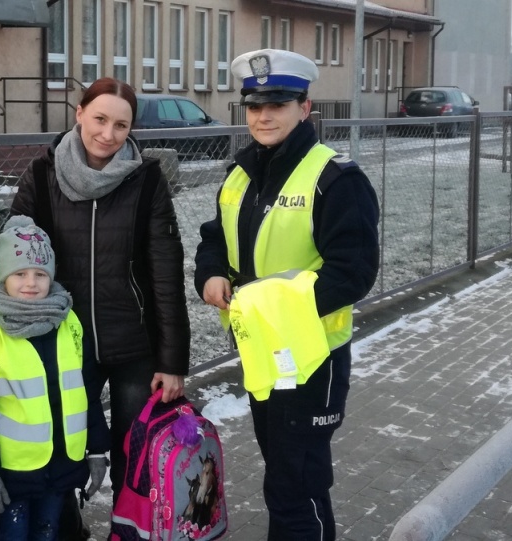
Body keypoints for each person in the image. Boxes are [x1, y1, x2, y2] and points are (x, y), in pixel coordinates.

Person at [194, 49, 380, 540]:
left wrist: (261, 302)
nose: (264, 116)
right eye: (254, 106)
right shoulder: (241, 174)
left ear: (305, 106)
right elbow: (214, 236)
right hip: (261, 355)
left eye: (278, 103)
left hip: (310, 357)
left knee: (298, 487)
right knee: (281, 473)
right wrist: (210, 273)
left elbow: (354, 272)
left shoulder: (335, 179)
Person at [10, 77, 191, 538]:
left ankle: (129, 530)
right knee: (67, 449)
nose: (108, 134)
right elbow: (15, 251)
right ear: (79, 113)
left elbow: (166, 272)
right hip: (65, 343)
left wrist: (172, 361)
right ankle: (67, 531)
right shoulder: (42, 173)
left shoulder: (145, 179)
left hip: (134, 345)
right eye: (100, 119)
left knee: (136, 453)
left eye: (121, 125)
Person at [0, 215, 110, 540]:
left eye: (40, 273)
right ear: (2, 277)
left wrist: (97, 450)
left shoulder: (68, 322)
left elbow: (87, 392)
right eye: (20, 273)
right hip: (12, 473)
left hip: (61, 467)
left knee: (49, 532)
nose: (31, 282)